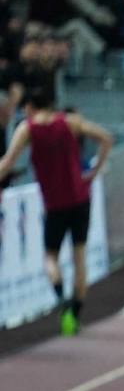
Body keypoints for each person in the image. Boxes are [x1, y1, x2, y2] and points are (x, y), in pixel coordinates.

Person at [0, 85, 113, 336]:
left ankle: (62, 299)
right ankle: (75, 312)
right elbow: (106, 137)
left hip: (55, 202)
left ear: (29, 107)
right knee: (79, 256)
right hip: (80, 197)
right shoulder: (71, 122)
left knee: (50, 256)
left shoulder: (28, 129)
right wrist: (96, 169)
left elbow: (7, 163)